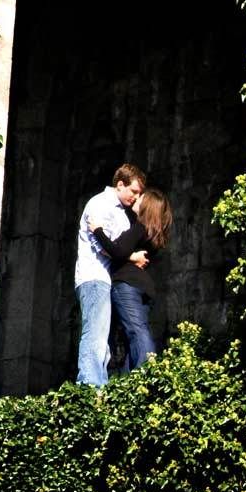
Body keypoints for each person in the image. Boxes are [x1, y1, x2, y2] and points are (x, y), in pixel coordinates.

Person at [74, 164, 145, 386]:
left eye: (139, 194)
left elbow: (120, 245)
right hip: (94, 276)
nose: (136, 197)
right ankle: (89, 386)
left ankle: (99, 386)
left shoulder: (123, 214)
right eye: (134, 192)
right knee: (95, 334)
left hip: (108, 280)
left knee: (104, 340)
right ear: (120, 184)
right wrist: (132, 257)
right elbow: (102, 246)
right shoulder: (100, 203)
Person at [90, 185, 172, 371]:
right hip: (142, 287)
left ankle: (146, 373)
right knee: (132, 336)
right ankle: (132, 385)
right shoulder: (153, 234)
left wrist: (97, 231)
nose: (136, 199)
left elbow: (118, 251)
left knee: (136, 332)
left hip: (127, 284)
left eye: (141, 197)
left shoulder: (140, 227)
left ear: (147, 205)